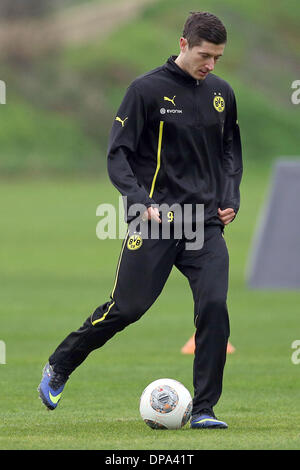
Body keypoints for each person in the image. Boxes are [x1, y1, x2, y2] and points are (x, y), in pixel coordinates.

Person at [38, 11, 242, 429]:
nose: (211, 65)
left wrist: (229, 198)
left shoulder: (221, 93)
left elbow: (230, 154)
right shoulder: (146, 91)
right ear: (183, 44)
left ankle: (204, 409)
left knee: (214, 306)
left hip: (204, 224)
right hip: (157, 221)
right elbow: (119, 154)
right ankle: (60, 365)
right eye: (205, 55)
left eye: (218, 58)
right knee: (126, 308)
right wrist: (138, 201)